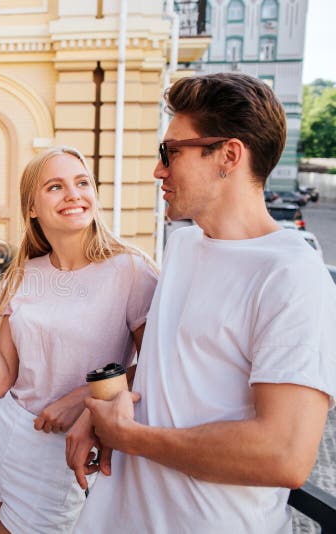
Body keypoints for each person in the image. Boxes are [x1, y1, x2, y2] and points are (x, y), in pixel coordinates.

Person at [70, 72, 336, 533]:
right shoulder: (185, 245)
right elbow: (170, 369)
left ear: (229, 155)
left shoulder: (292, 275)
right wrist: (93, 414)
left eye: (171, 152)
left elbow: (285, 454)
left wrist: (130, 437)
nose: (159, 169)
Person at [0, 146, 158, 533]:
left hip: (56, 451)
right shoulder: (24, 272)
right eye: (55, 187)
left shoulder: (131, 271)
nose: (74, 194)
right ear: (32, 207)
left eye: (82, 183)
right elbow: (1, 381)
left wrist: (80, 399)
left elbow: (156, 367)